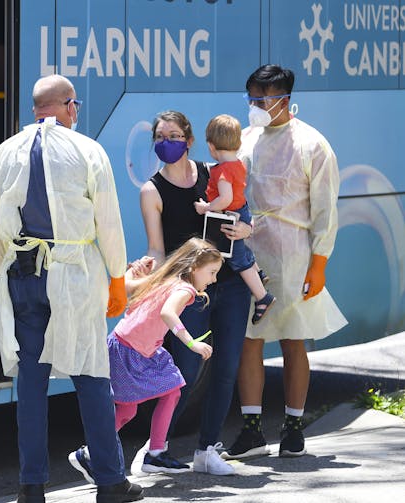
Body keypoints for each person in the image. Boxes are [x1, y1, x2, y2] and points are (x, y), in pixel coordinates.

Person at [0, 74, 142, 503]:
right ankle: (109, 481)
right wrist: (115, 278)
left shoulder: (4, 153)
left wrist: (7, 271)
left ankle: (31, 488)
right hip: (74, 278)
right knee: (91, 377)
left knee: (30, 384)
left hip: (22, 275)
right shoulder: (88, 151)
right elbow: (108, 222)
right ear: (70, 107)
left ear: (35, 110)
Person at [222, 65, 347, 460]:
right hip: (248, 252)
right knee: (248, 341)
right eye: (252, 99)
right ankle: (252, 429)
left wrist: (319, 263)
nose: (256, 107)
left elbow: (326, 208)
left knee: (294, 339)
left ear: (285, 100)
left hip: (293, 251)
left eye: (263, 99)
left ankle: (293, 428)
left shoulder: (312, 144)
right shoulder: (244, 141)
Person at [139, 110, 254, 476]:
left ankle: (207, 450)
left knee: (226, 369)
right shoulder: (151, 190)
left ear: (189, 141)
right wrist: (147, 282)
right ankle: (155, 450)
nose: (165, 142)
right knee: (185, 372)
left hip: (231, 285)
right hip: (188, 293)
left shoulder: (213, 173)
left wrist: (247, 231)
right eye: (159, 137)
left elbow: (241, 210)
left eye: (173, 135)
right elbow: (157, 249)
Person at [71, 239, 220, 478]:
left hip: (128, 346)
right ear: (194, 267)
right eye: (211, 272)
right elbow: (167, 313)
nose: (213, 279)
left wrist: (135, 270)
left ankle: (91, 453)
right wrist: (192, 343)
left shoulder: (164, 280)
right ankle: (154, 453)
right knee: (170, 391)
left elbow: (127, 284)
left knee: (131, 409)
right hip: (132, 351)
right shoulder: (185, 289)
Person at [194, 114, 275, 324]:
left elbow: (225, 198)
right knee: (242, 250)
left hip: (232, 216)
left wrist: (206, 207)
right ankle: (260, 273)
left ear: (211, 147)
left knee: (238, 261)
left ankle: (262, 297)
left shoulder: (221, 171)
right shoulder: (238, 164)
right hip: (243, 211)